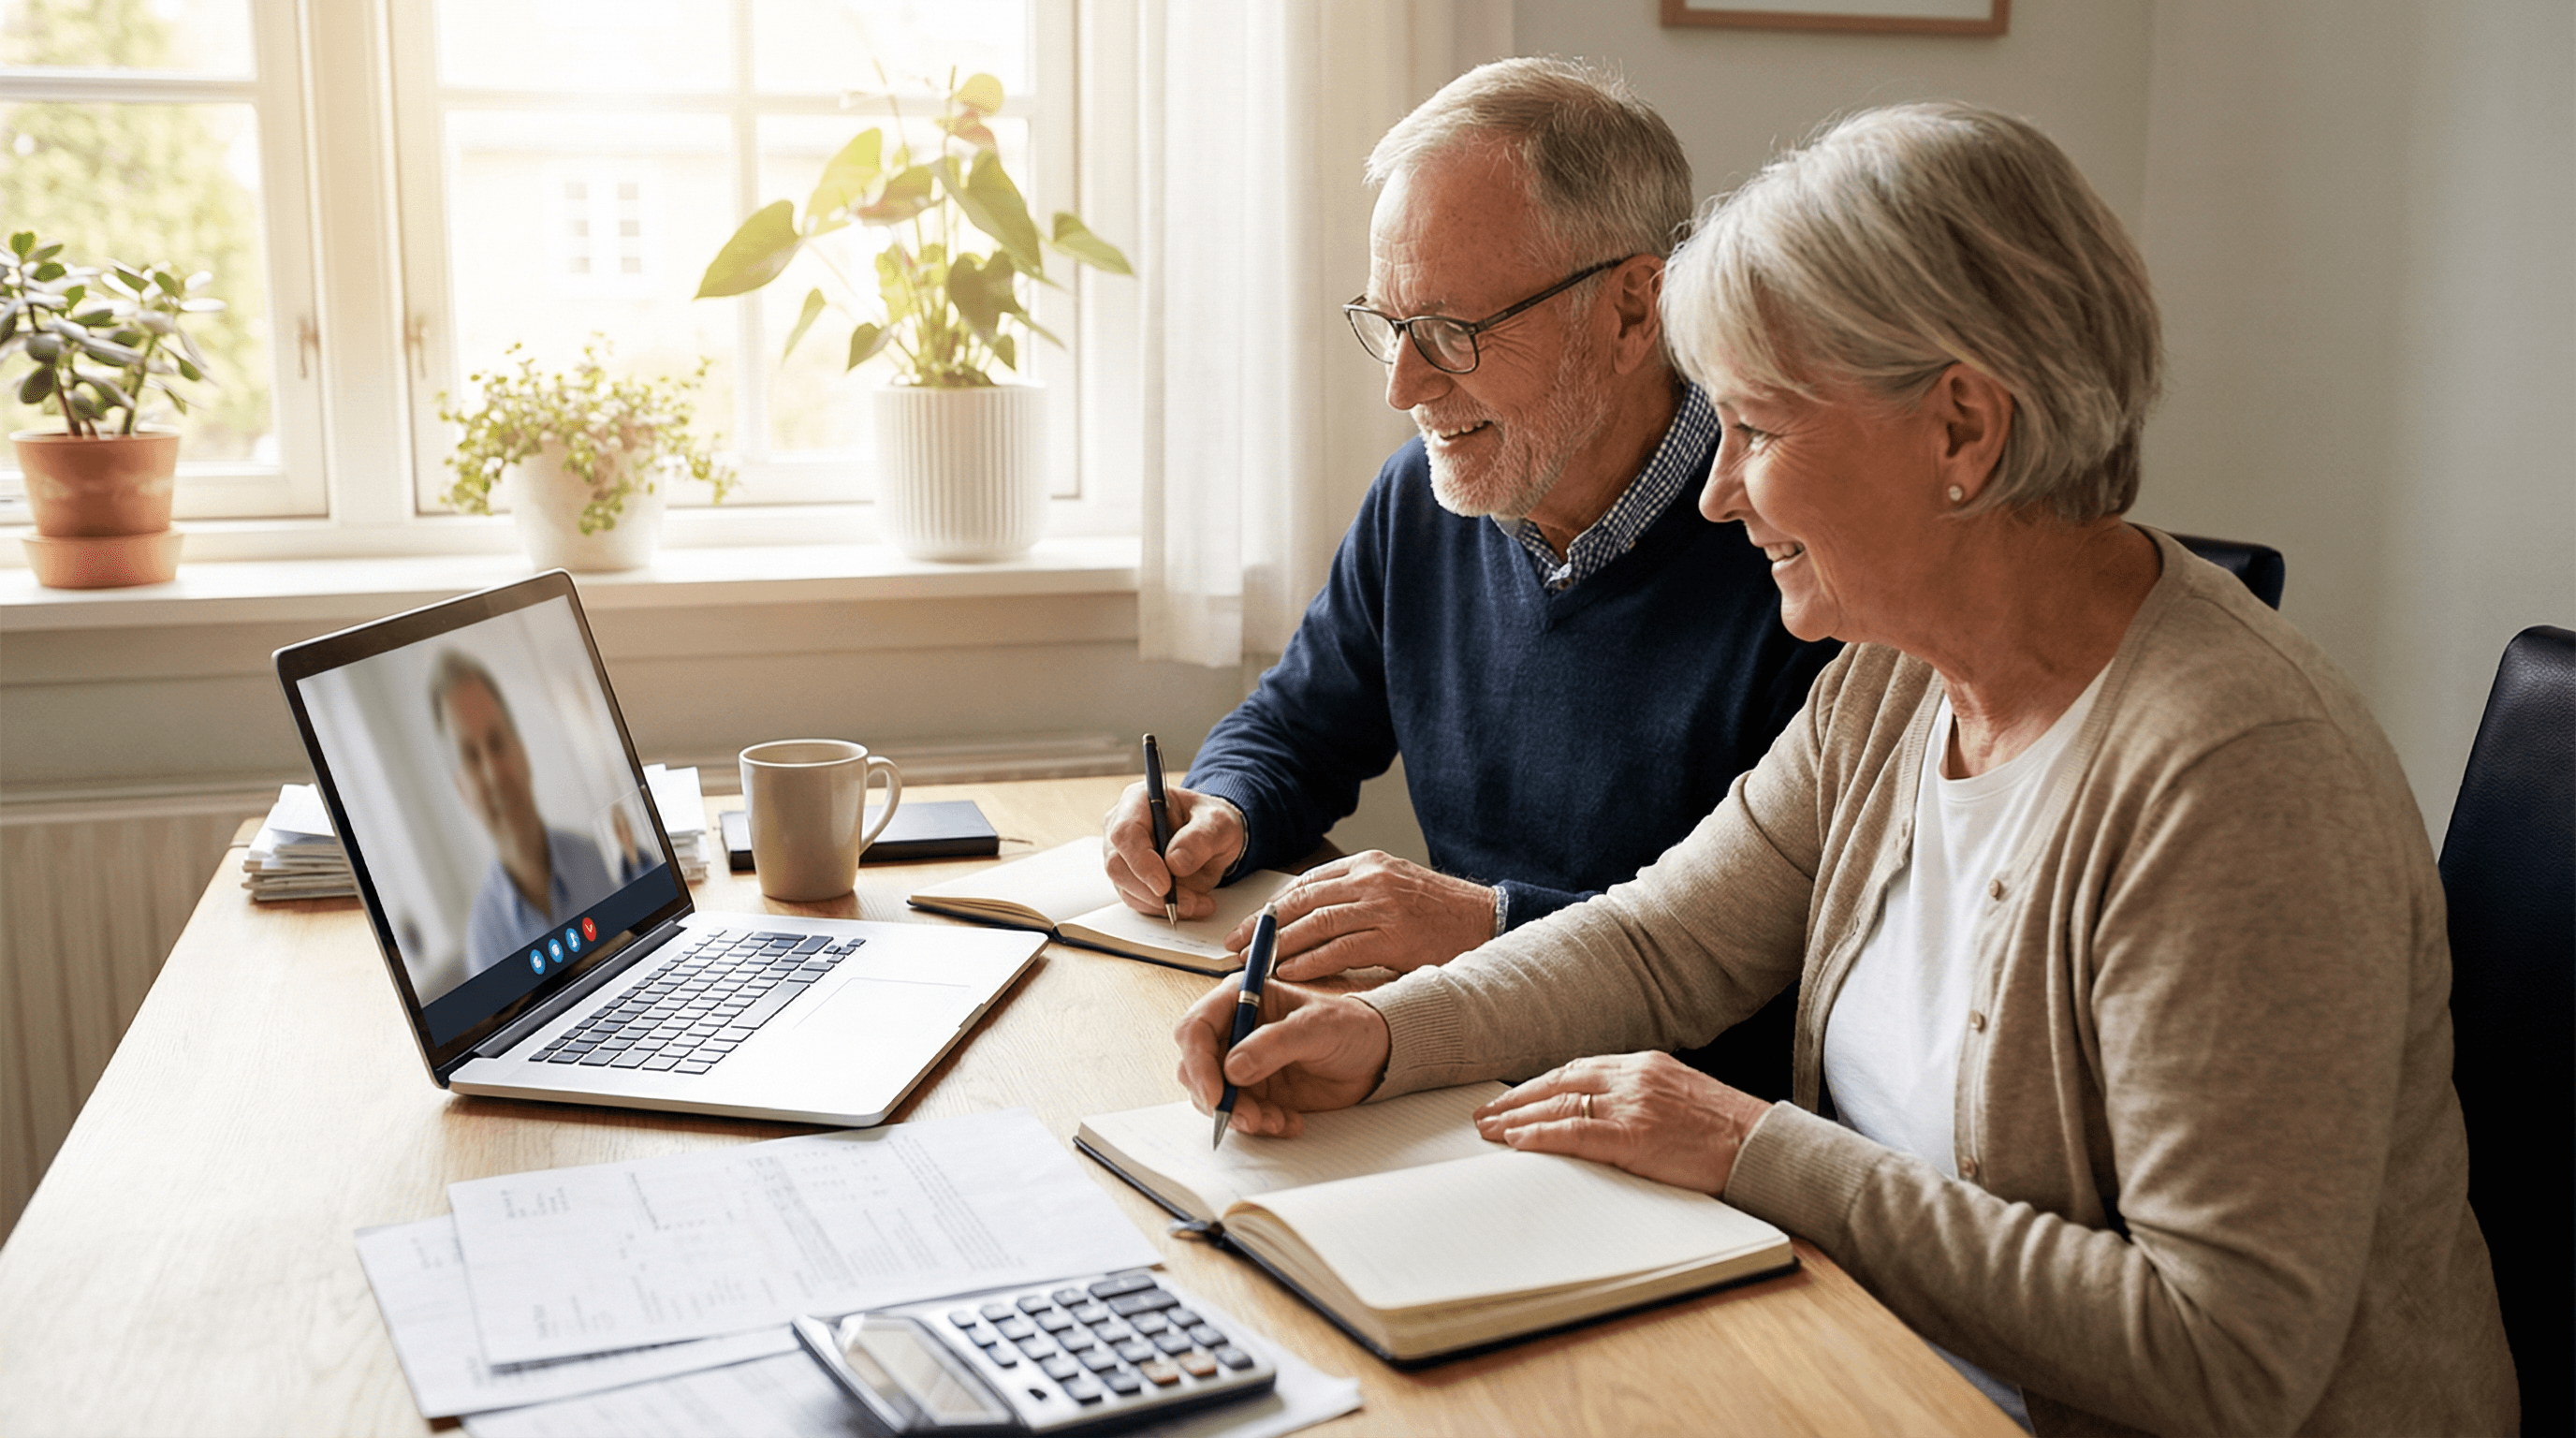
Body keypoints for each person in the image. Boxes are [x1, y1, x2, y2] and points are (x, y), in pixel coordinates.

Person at [1171, 102, 2517, 1435]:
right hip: (1865, 1366)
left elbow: (2220, 1358)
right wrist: (1381, 1037)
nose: (1717, 492)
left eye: (1757, 430)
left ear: (1962, 431)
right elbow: (1658, 945)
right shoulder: (1893, 681)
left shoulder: (2237, 783)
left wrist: (1751, 1150)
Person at [1103, 59, 1837, 1094]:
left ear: (1634, 312)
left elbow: (1772, 967)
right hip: (1448, 1064)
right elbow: (1295, 728)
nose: (1404, 386)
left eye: (1453, 332)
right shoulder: (1423, 498)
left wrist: (1485, 923)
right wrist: (1222, 807)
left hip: (1667, 1117)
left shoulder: (1799, 556)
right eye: (1390, 326)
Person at [430, 651, 615, 976]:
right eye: (471, 756)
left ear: (521, 750)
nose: (493, 774)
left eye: (496, 742)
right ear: (462, 790)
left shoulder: (602, 862)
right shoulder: (484, 943)